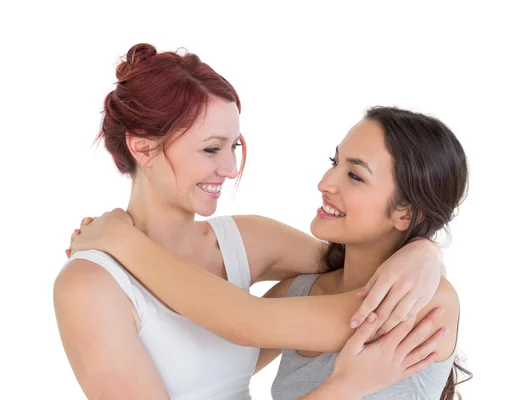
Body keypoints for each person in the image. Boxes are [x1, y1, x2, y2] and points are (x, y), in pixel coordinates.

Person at [54, 43, 447, 400]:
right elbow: (252, 321)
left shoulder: (250, 240)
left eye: (235, 146)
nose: (229, 169)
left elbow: (351, 263)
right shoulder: (90, 287)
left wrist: (425, 251)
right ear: (142, 147)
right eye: (211, 148)